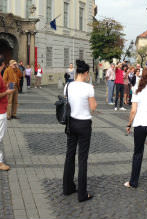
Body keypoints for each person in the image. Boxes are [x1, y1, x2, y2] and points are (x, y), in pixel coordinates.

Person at [63, 60, 96, 202]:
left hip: (71, 123)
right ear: (86, 73)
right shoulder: (88, 88)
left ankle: (67, 187)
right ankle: (82, 194)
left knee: (69, 155)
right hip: (84, 124)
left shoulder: (68, 86)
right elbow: (93, 108)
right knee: (82, 159)